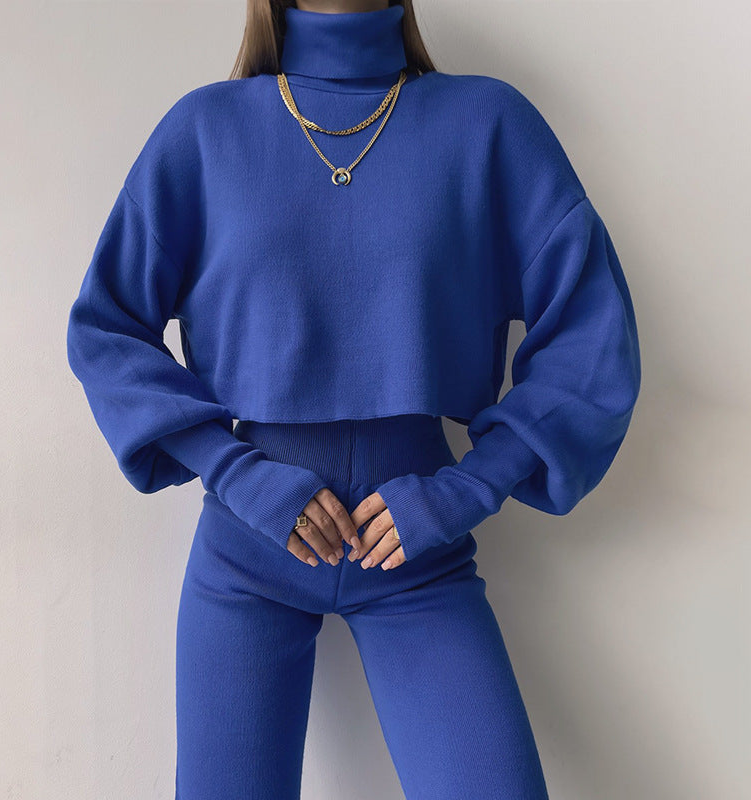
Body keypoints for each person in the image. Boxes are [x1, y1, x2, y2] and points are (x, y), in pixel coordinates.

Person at [66, 1, 642, 797]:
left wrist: (467, 488)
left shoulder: (487, 124)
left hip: (418, 556)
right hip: (244, 556)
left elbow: (593, 338)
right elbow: (106, 328)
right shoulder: (205, 130)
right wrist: (234, 472)